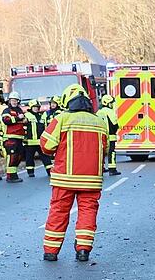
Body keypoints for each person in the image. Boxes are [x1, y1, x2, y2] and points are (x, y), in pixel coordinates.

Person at [39, 84, 108, 262]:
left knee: (59, 212)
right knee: (87, 212)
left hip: (65, 178)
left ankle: (51, 252)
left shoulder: (62, 119)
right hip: (91, 179)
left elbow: (46, 145)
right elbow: (105, 149)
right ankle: (83, 250)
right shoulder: (100, 121)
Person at [0, 92, 27, 183]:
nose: (14, 102)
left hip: (19, 137)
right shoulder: (7, 110)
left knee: (19, 156)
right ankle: (10, 176)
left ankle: (14, 175)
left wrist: (25, 120)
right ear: (9, 101)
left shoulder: (19, 110)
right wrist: (18, 118)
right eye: (12, 100)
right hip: (10, 137)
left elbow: (24, 121)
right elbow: (6, 120)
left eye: (16, 100)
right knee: (12, 156)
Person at [23, 98, 51, 177]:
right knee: (29, 157)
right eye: (34, 107)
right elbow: (23, 127)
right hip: (30, 141)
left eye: (37, 107)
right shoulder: (27, 115)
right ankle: (30, 172)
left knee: (45, 157)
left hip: (40, 141)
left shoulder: (41, 116)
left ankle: (49, 171)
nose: (36, 108)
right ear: (31, 107)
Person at [96, 95, 120, 176]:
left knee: (101, 153)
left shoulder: (99, 112)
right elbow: (115, 124)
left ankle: (101, 168)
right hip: (111, 136)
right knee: (111, 152)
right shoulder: (110, 111)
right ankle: (112, 169)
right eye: (111, 103)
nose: (112, 105)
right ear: (108, 103)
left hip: (100, 135)